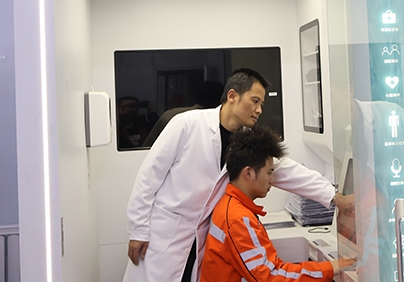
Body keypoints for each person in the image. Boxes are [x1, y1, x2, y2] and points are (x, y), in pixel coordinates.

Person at [124, 68, 349, 282]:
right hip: (165, 233)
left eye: (261, 104)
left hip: (201, 236)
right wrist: (138, 231)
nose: (259, 110)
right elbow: (149, 177)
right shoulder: (187, 124)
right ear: (232, 96)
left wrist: (333, 196)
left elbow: (285, 168)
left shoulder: (245, 140)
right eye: (255, 101)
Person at [200, 125, 356, 282]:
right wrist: (331, 267)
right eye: (269, 172)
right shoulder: (238, 219)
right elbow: (270, 276)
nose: (273, 179)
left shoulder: (230, 206)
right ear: (248, 173)